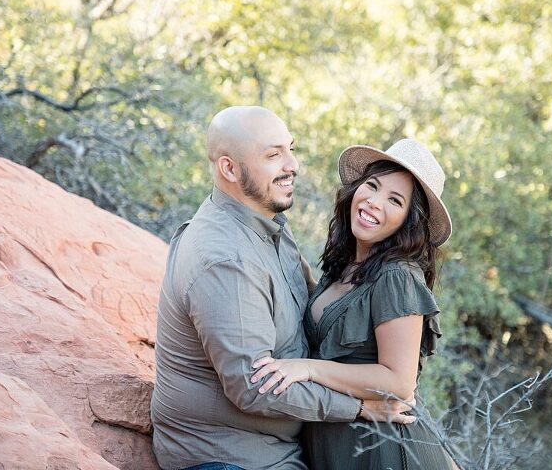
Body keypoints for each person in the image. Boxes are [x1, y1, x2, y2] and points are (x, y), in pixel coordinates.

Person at [150, 106, 414, 470]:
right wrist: (358, 407)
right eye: (274, 155)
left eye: (291, 149)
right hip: (229, 457)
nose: (293, 165)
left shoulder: (268, 224)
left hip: (278, 449)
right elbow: (253, 388)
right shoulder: (227, 261)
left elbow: (313, 309)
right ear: (229, 169)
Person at [251, 138, 458, 469]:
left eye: (394, 200)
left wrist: (308, 368)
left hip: (383, 449)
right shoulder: (346, 264)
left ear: (409, 220)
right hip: (337, 445)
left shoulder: (397, 276)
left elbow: (399, 382)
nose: (374, 202)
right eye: (372, 186)